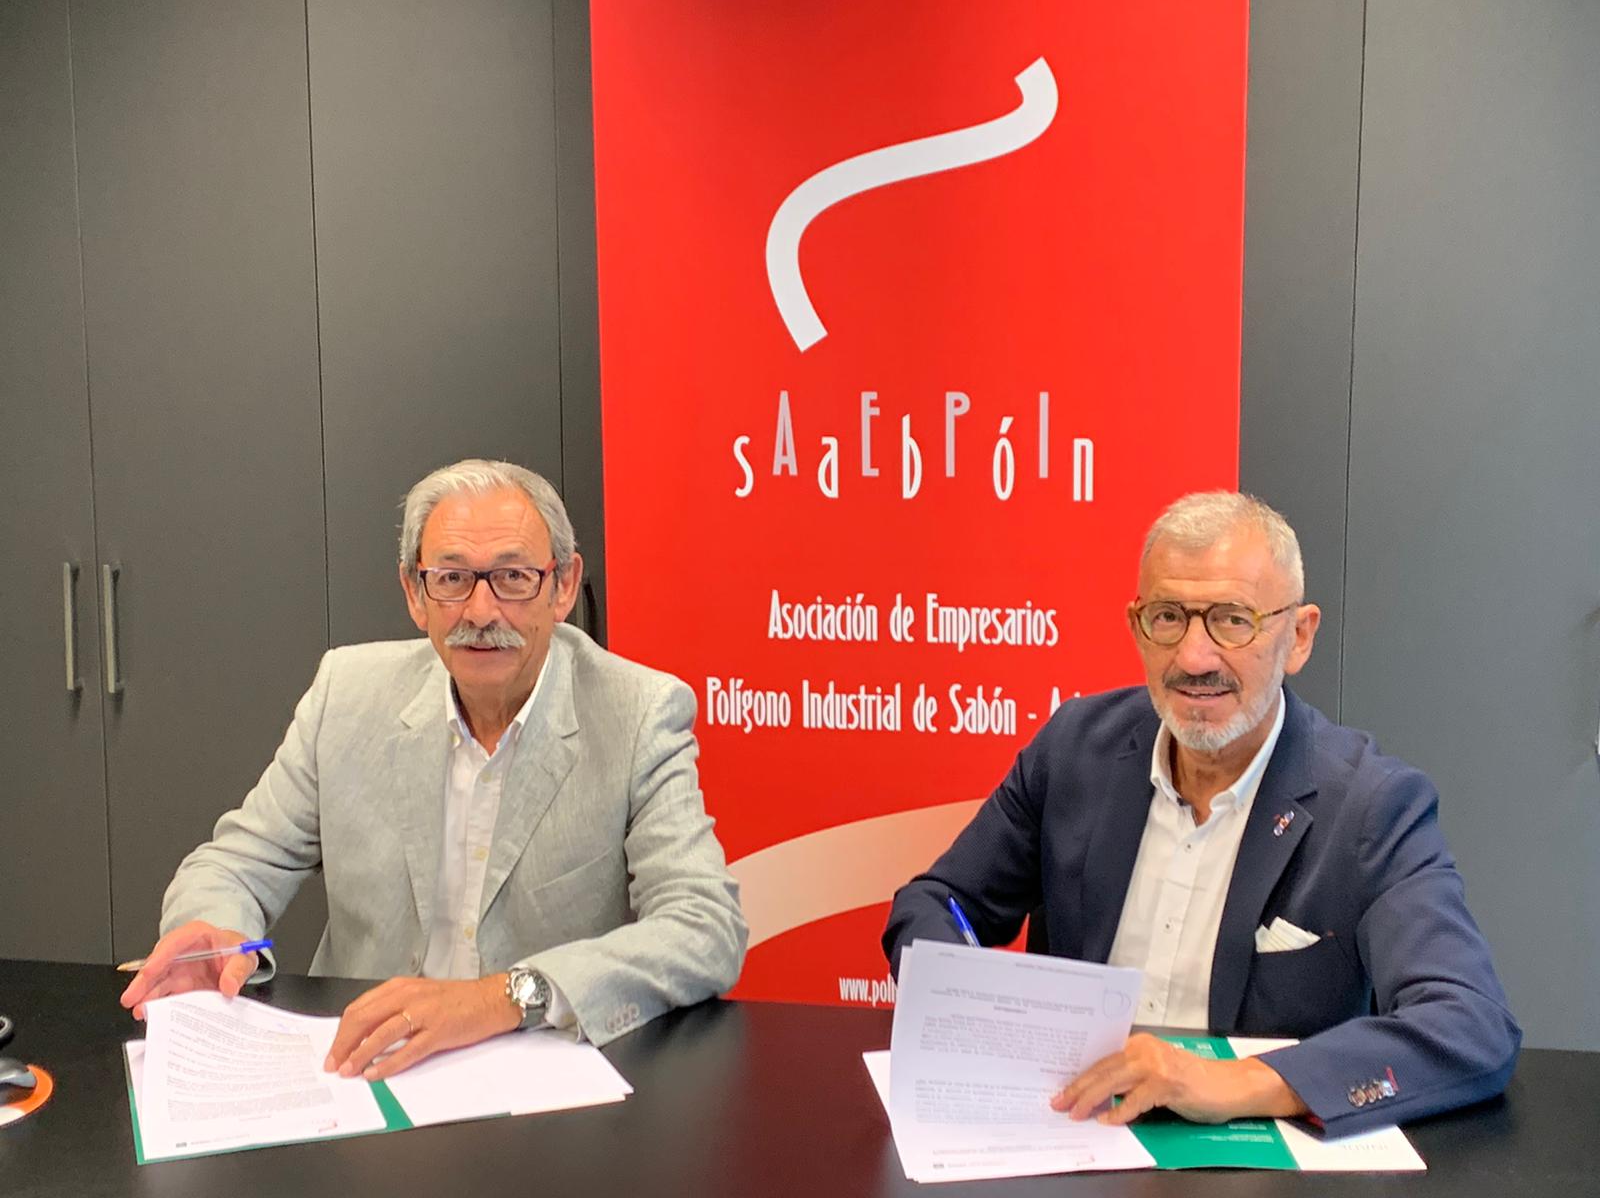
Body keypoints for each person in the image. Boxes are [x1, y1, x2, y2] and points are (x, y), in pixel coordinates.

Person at [882, 491, 1519, 1137]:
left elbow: (1469, 1024)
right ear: (1137, 626)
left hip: (1255, 1156)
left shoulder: (1369, 806)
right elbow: (936, 903)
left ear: (1298, 637)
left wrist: (1237, 1081)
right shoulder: (1076, 749)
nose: (1193, 658)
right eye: (1167, 618)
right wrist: (982, 1014)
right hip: (1080, 1131)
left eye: (1232, 621)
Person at [121, 459, 747, 1079]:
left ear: (562, 587)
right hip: (362, 1069)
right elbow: (233, 866)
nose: (480, 612)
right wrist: (217, 934)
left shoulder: (637, 712)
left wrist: (501, 998)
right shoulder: (347, 694)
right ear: (414, 594)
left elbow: (704, 927)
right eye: (451, 578)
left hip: (539, 1082)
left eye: (513, 577)